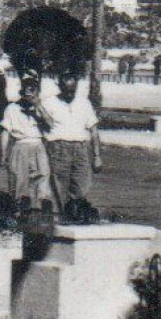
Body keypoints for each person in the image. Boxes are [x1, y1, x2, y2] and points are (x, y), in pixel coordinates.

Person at [42, 71, 102, 220]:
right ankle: (61, 217)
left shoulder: (84, 103)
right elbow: (41, 126)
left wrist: (97, 156)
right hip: (58, 146)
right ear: (59, 87)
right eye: (66, 90)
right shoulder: (49, 103)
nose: (69, 94)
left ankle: (74, 212)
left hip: (81, 147)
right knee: (59, 184)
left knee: (82, 183)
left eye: (72, 91)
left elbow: (94, 131)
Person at [0, 76, 54, 212]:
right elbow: (6, 133)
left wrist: (38, 106)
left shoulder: (41, 108)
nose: (30, 94)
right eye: (27, 91)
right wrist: (3, 154)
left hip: (38, 144)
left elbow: (51, 124)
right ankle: (20, 211)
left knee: (43, 177)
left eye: (33, 91)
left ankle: (40, 210)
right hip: (21, 144)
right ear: (22, 92)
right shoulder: (12, 108)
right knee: (19, 179)